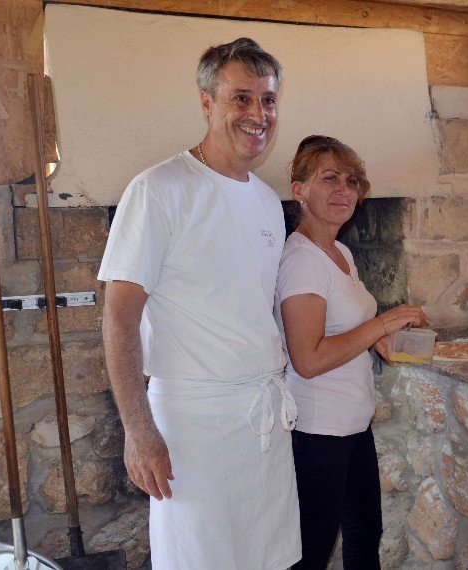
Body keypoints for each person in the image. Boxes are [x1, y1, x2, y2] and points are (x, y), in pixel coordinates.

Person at [98, 38, 300, 569]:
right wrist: (139, 433)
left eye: (269, 99)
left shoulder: (264, 200)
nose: (258, 114)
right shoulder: (159, 190)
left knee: (269, 560)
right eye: (241, 98)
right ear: (207, 102)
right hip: (193, 427)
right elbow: (119, 319)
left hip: (263, 419)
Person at [275, 135, 427, 569]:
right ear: (299, 189)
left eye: (352, 181)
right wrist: (381, 323)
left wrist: (381, 337)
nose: (344, 191)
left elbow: (348, 328)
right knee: (312, 552)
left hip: (351, 424)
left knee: (365, 535)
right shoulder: (302, 260)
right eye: (330, 179)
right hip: (317, 429)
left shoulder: (339, 253)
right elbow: (308, 359)